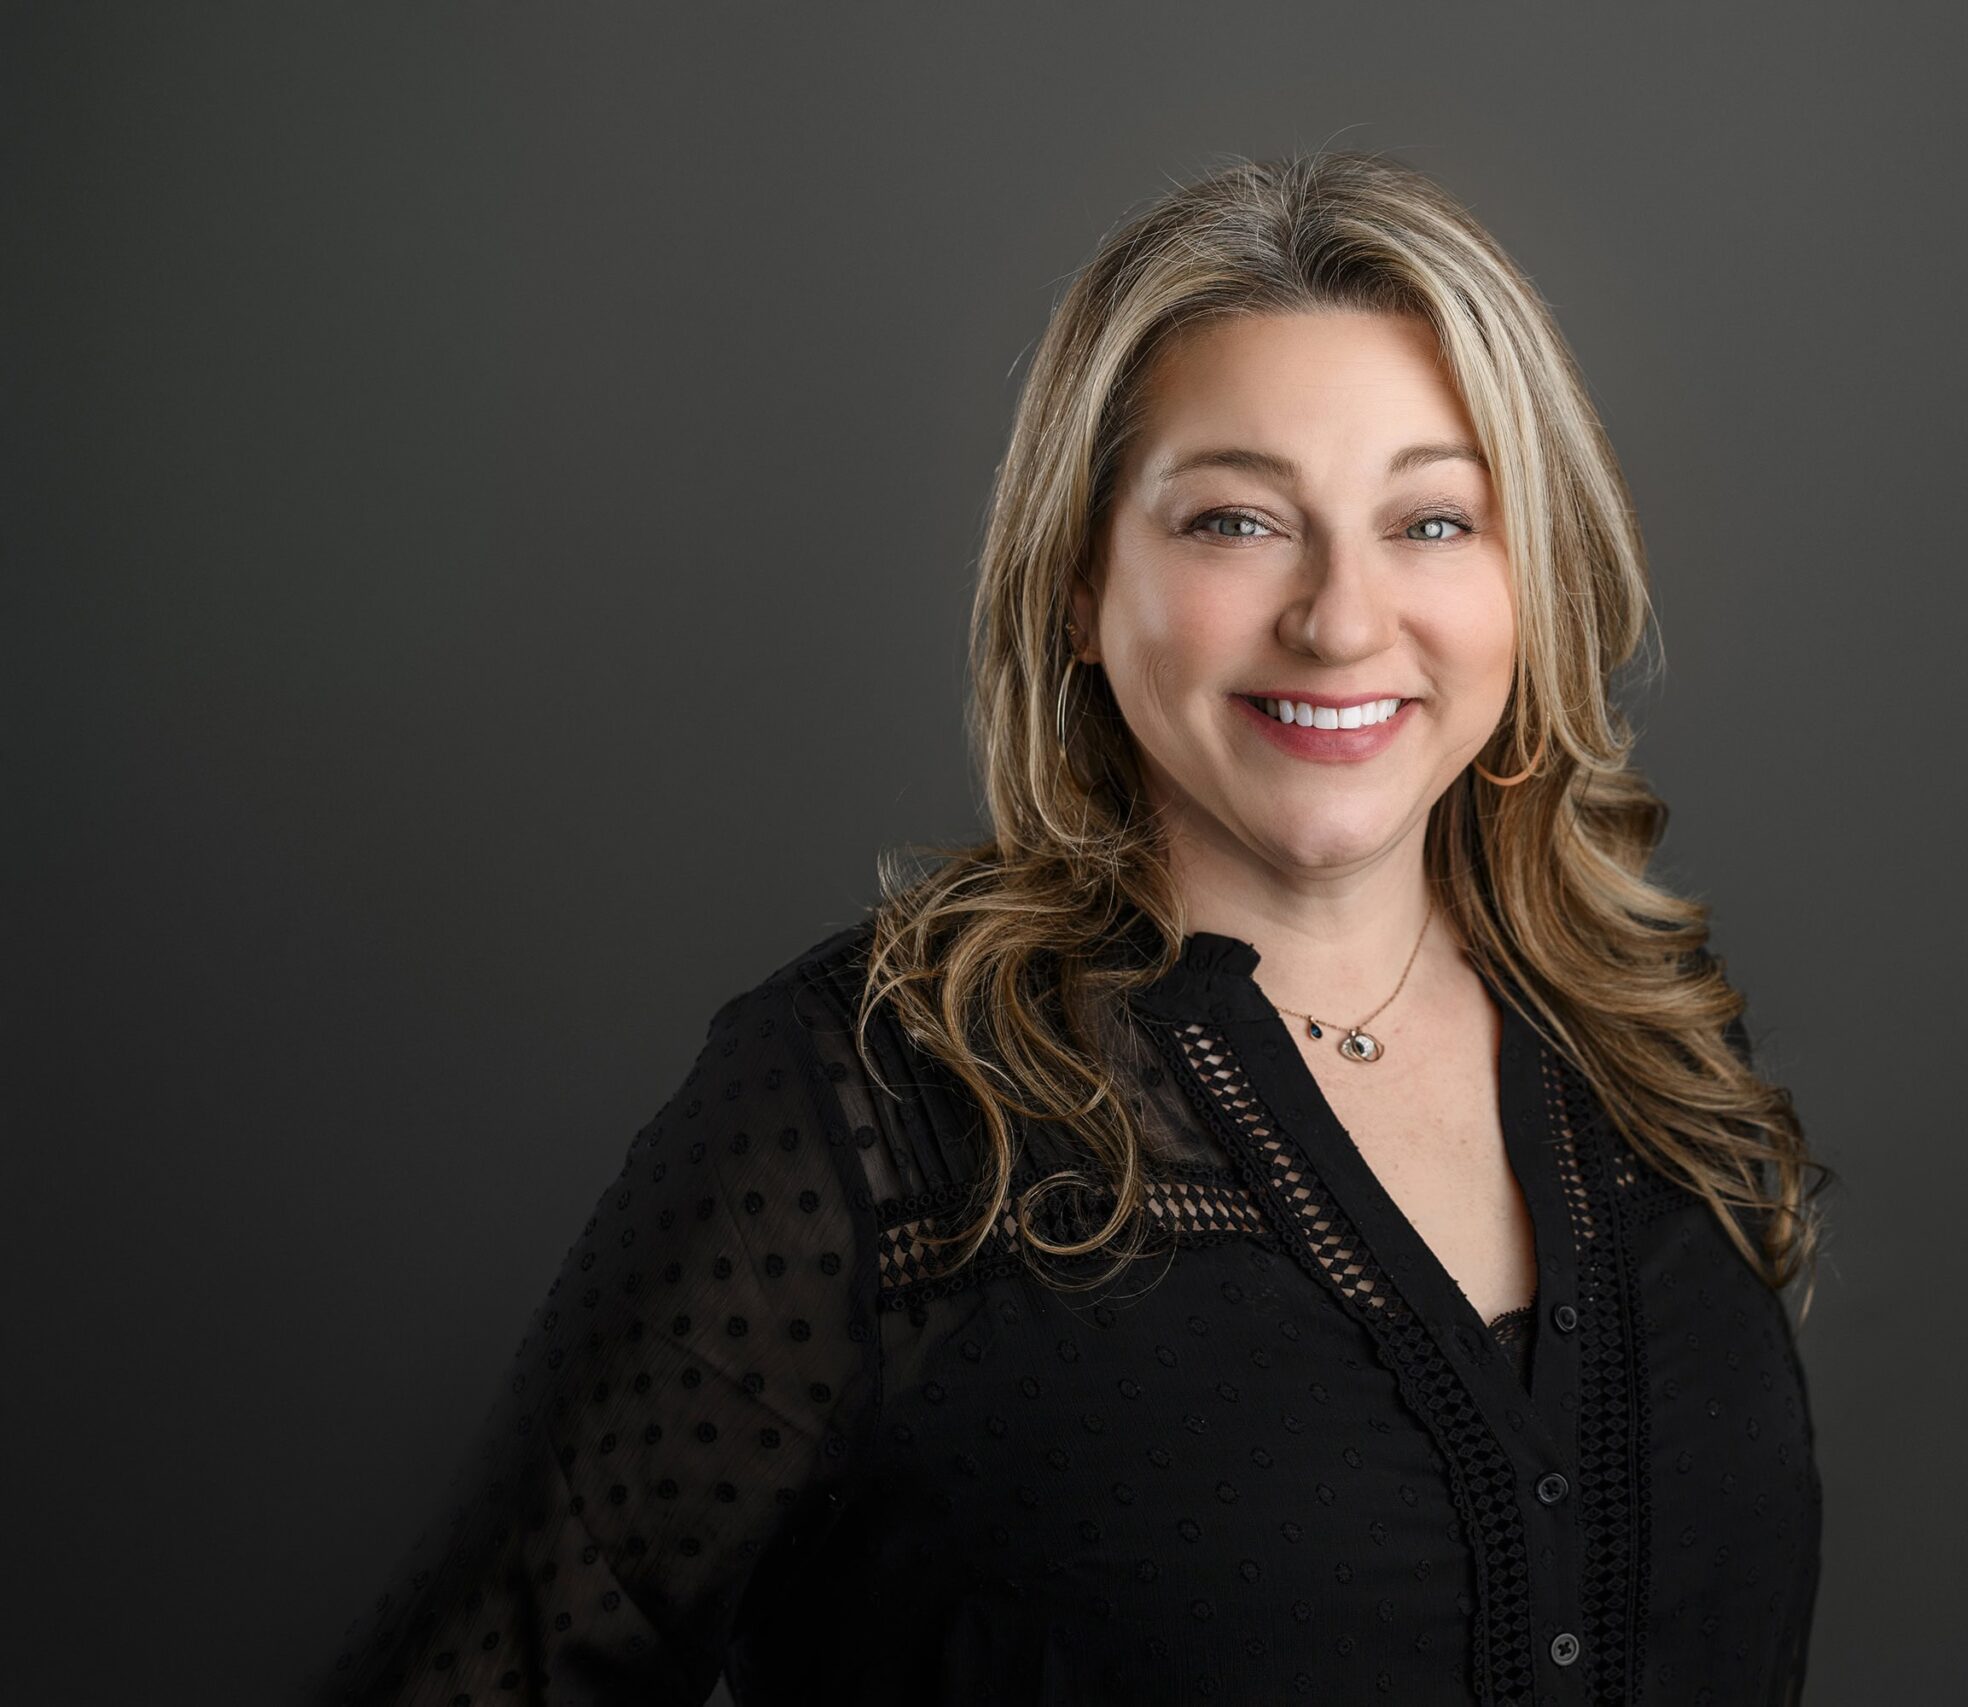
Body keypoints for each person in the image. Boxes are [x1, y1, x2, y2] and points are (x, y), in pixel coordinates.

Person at [314, 149, 1832, 1707]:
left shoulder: (1652, 1067)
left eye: (1434, 522)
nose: (1340, 619)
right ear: (1075, 585)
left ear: (1538, 585)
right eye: (1236, 521)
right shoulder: (875, 1112)